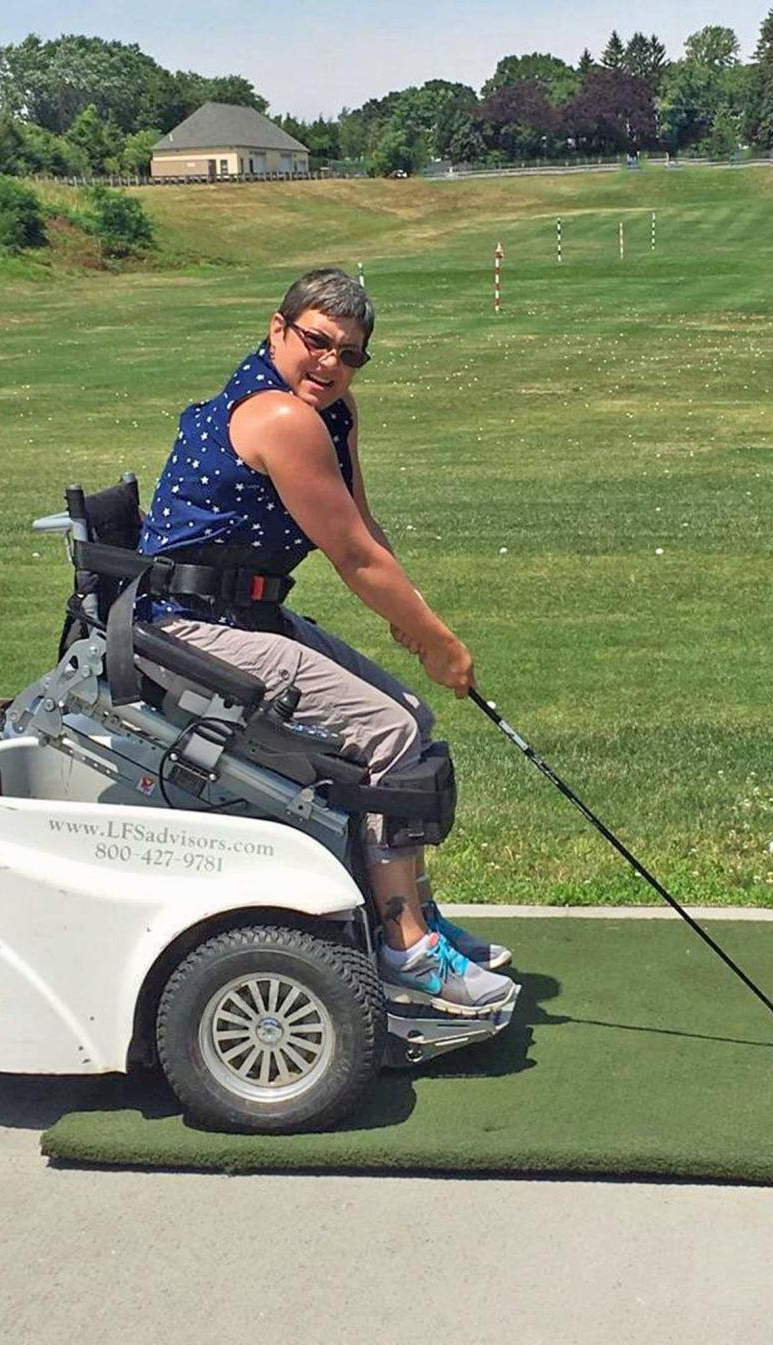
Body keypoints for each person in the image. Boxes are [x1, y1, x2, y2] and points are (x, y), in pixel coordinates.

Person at [137, 267, 514, 1016]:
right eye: (316, 342)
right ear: (278, 328)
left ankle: (409, 913)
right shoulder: (282, 418)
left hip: (242, 614)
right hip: (190, 625)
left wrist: (416, 625)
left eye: (348, 353)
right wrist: (440, 644)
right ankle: (407, 949)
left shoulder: (332, 413)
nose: (331, 363)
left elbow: (364, 528)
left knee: (408, 714)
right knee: (391, 729)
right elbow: (353, 558)